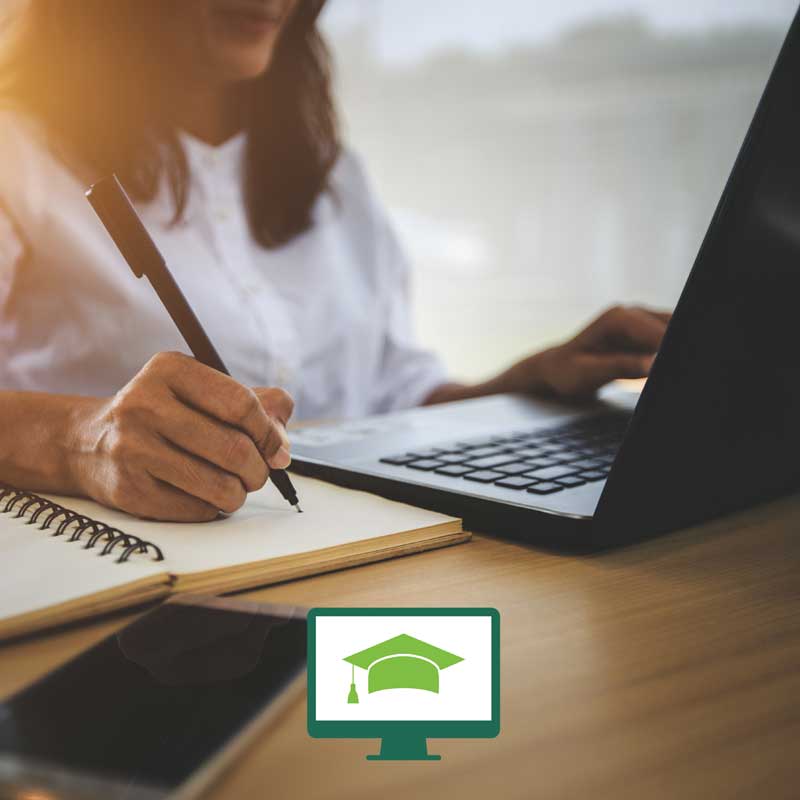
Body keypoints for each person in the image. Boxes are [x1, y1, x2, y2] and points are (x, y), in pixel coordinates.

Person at [0, 0, 669, 522]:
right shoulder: (16, 154)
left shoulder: (333, 177)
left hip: (354, 566)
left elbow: (387, 399)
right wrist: (79, 439)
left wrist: (532, 383)